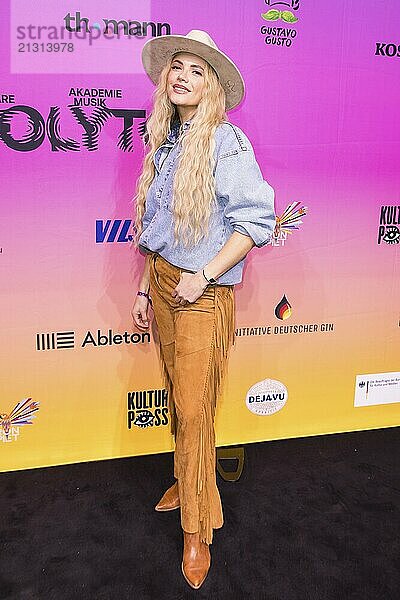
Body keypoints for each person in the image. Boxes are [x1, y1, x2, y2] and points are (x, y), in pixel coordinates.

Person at [131, 29, 276, 590]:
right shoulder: (166, 140)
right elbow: (159, 232)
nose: (182, 75)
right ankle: (186, 481)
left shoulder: (225, 141)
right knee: (178, 398)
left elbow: (256, 224)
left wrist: (204, 275)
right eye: (176, 67)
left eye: (195, 68)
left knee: (195, 412)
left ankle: (199, 527)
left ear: (211, 83)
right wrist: (147, 288)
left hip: (201, 295)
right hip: (165, 284)